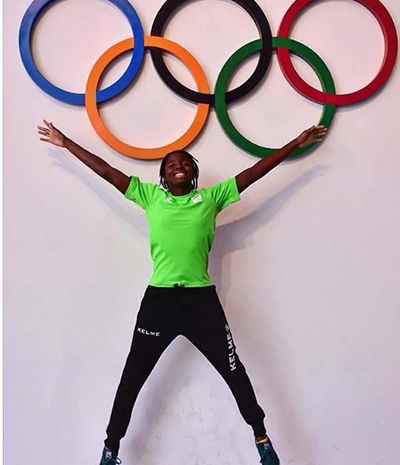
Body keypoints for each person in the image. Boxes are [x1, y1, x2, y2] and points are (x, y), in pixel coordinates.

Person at [37, 119, 327, 465]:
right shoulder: (149, 196)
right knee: (133, 377)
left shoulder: (211, 197)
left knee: (234, 372)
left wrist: (295, 143)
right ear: (163, 175)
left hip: (200, 301)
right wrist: (66, 142)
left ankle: (262, 439)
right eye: (171, 164)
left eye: (185, 163)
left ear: (193, 173)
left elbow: (254, 173)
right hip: (159, 301)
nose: (179, 166)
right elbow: (107, 171)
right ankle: (110, 449)